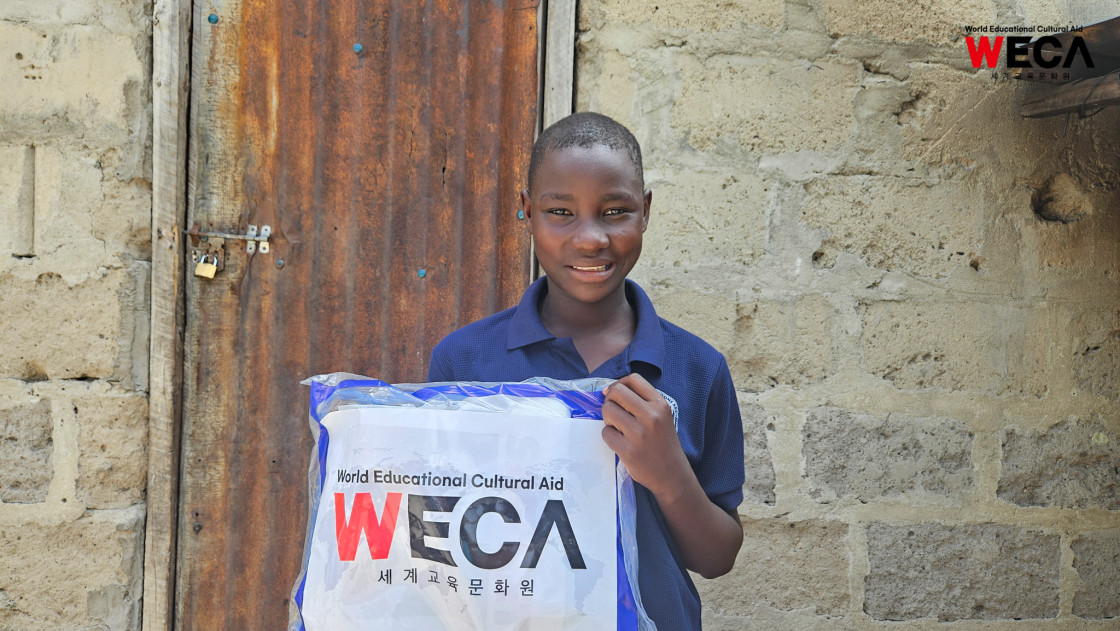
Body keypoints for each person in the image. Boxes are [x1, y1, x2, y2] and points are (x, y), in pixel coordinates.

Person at [427, 111, 744, 629]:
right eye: (561, 212)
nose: (591, 238)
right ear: (527, 211)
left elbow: (717, 558)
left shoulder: (698, 368)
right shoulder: (464, 361)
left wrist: (669, 477)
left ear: (645, 211)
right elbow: (439, 533)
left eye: (615, 211)